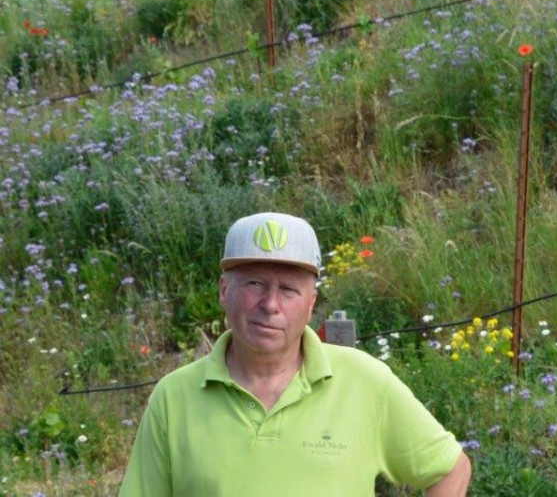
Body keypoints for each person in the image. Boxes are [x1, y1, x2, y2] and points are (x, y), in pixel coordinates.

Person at [118, 212, 472, 497]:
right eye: (255, 284)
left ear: (311, 304)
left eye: (288, 289)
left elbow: (450, 469)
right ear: (224, 290)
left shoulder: (365, 381)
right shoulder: (173, 397)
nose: (270, 304)